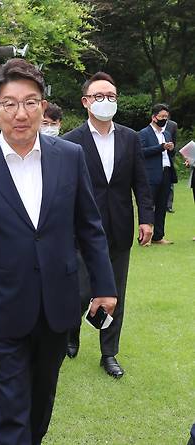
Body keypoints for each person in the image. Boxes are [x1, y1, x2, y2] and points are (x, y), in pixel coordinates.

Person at [0, 58, 117, 445]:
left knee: (41, 402)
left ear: (43, 107)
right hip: (1, 309)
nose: (21, 113)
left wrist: (105, 286)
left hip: (56, 304)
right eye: (10, 104)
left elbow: (89, 227)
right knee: (12, 412)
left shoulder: (68, 156)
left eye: (30, 102)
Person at [62, 72, 154, 378]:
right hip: (82, 234)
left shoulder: (130, 137)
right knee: (78, 291)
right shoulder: (70, 142)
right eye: (100, 96)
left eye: (112, 96)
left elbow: (141, 183)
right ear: (86, 102)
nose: (107, 102)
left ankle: (109, 352)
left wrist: (148, 218)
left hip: (119, 228)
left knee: (116, 293)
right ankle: (70, 332)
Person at [139, 103, 178, 245]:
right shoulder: (144, 133)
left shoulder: (167, 133)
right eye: (162, 117)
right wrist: (161, 147)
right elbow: (141, 152)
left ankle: (158, 236)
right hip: (151, 173)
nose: (164, 120)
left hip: (166, 172)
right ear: (154, 117)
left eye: (166, 117)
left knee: (162, 205)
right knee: (149, 205)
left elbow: (170, 153)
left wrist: (171, 148)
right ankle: (145, 237)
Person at [165, 117, 178, 213]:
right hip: (157, 157)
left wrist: (172, 150)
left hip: (169, 156)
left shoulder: (173, 125)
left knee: (170, 184)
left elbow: (174, 140)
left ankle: (169, 205)